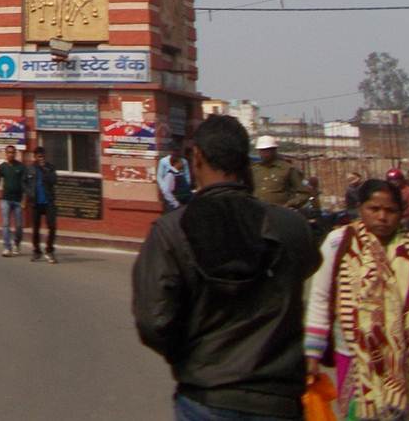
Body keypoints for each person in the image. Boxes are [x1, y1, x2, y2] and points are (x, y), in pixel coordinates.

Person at [133, 114, 320, 420]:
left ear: (198, 158)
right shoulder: (291, 228)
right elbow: (313, 286)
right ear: (247, 160)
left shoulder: (171, 231)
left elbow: (153, 321)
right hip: (278, 398)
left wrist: (191, 359)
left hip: (206, 394)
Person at [304, 178, 409, 419]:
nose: (382, 217)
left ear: (401, 213)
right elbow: (319, 297)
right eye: (374, 209)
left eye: (390, 210)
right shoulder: (338, 244)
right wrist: (312, 354)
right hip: (352, 356)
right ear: (361, 209)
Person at [252, 134, 311, 210]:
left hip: (280, 213)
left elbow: (304, 194)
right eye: (262, 150)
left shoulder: (288, 169)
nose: (264, 153)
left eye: (267, 150)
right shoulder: (254, 169)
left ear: (274, 150)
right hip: (257, 212)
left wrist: (290, 205)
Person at [24, 145, 57, 263]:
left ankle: (49, 250)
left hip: (48, 201)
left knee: (52, 226)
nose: (41, 159)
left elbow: (54, 181)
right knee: (36, 229)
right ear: (35, 157)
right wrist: (29, 194)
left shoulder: (50, 168)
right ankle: (36, 251)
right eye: (39, 157)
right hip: (36, 202)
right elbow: (24, 183)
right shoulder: (30, 169)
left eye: (42, 156)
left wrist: (45, 170)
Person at [0, 145, 26, 257]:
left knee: (19, 226)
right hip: (6, 199)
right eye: (8, 152)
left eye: (12, 152)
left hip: (18, 201)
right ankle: (7, 247)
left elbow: (25, 184)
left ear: (15, 153)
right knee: (5, 224)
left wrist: (24, 199)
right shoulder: (2, 167)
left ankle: (17, 243)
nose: (11, 154)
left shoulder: (21, 167)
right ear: (6, 154)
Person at [157, 140, 193, 212]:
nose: (176, 153)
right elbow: (159, 176)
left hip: (181, 193)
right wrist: (163, 187)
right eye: (174, 151)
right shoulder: (164, 162)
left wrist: (185, 188)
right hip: (169, 193)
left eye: (178, 151)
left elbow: (187, 176)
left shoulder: (183, 161)